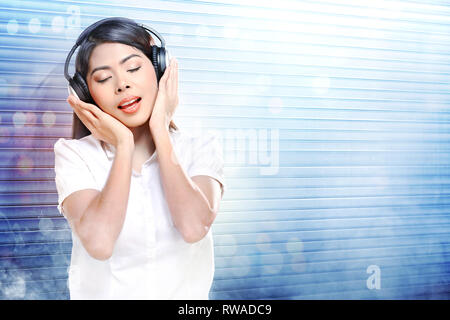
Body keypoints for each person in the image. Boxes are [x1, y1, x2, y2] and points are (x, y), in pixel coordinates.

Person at [53, 17, 226, 300]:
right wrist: (124, 144)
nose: (122, 84)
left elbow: (194, 226)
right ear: (86, 93)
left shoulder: (201, 147)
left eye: (133, 68)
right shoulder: (74, 155)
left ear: (159, 68)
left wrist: (160, 128)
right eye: (104, 78)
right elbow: (99, 243)